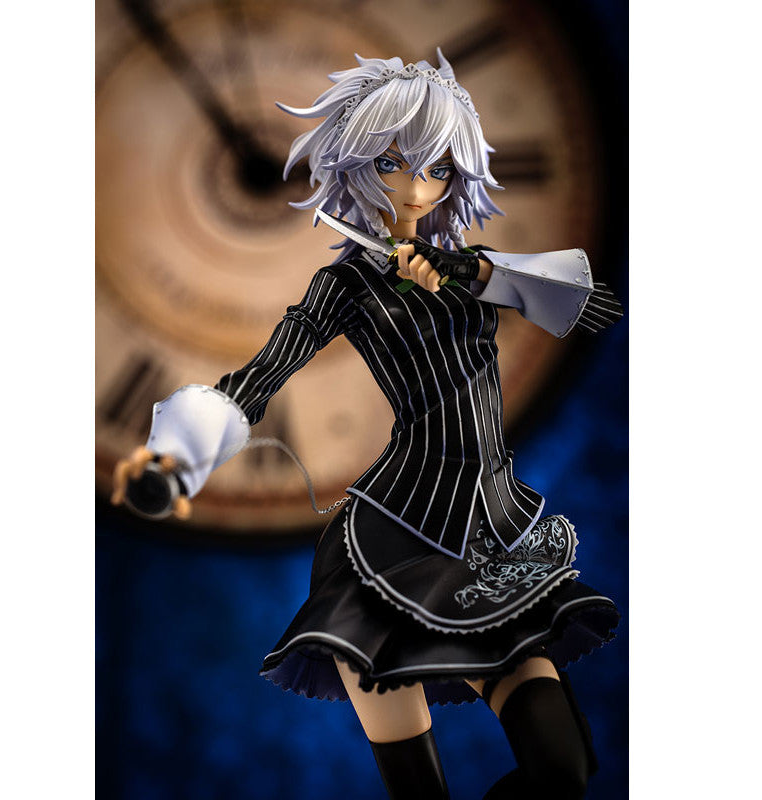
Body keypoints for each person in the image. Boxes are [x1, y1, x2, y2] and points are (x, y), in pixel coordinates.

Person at [112, 51, 623, 800]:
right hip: (394, 546)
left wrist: (470, 272)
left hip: (495, 536)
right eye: (391, 163)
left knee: (563, 770)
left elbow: (593, 305)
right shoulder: (346, 282)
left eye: (436, 169)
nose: (415, 188)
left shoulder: (476, 271)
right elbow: (261, 374)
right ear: (357, 166)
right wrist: (174, 458)